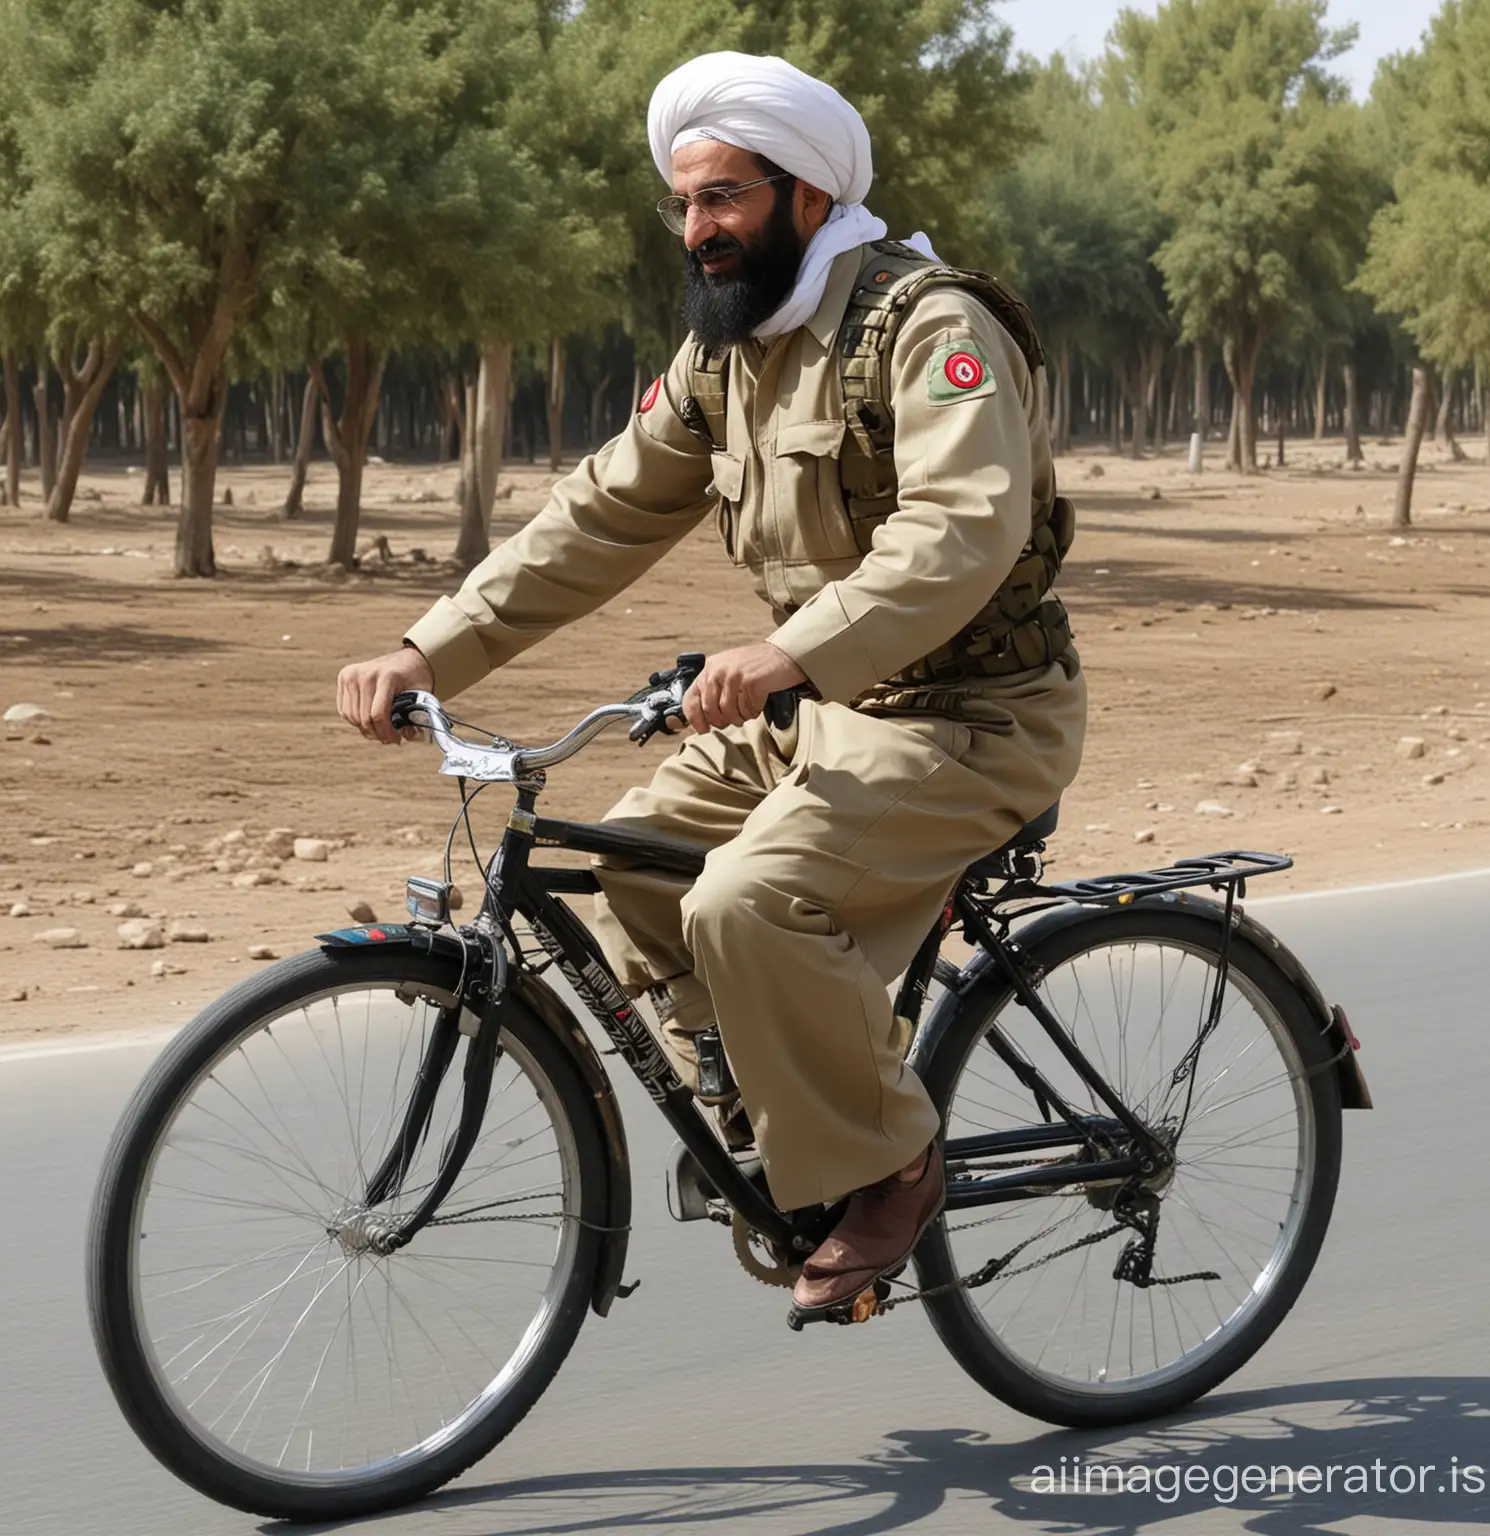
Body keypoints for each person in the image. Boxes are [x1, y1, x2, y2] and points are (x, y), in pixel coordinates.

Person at [337, 51, 1086, 1319]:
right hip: (828, 717)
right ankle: (770, 1087)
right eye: (685, 205)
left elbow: (961, 532)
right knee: (629, 851)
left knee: (746, 901)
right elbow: (601, 513)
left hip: (974, 719)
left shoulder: (926, 326)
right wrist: (428, 648)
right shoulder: (729, 354)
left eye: (726, 199)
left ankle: (892, 1165)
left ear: (806, 195)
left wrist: (791, 653)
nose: (700, 232)